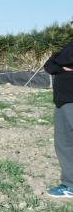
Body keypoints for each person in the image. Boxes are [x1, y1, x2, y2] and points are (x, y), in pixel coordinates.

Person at [44, 21, 73, 198]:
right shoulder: (70, 44)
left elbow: (63, 59)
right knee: (64, 143)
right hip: (62, 101)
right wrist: (58, 63)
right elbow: (49, 65)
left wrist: (58, 61)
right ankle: (70, 185)